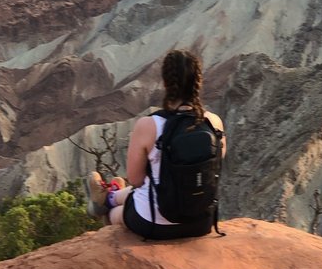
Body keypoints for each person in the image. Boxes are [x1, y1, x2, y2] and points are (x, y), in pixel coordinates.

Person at [84, 49, 226, 239]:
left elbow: (136, 180)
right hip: (201, 222)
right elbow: (215, 166)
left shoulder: (149, 125)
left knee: (115, 213)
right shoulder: (213, 123)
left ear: (167, 82)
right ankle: (109, 196)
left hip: (155, 223)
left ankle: (108, 201)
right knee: (159, 185)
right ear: (198, 82)